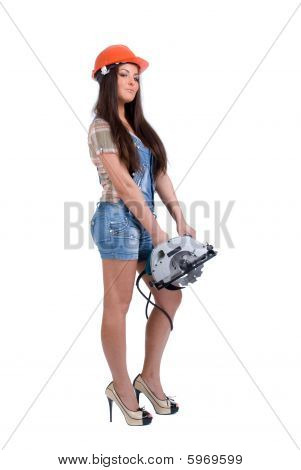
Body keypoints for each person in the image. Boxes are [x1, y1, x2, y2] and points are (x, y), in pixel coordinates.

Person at [88, 44, 196, 426]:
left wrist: (179, 217)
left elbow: (159, 175)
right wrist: (159, 231)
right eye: (124, 74)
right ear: (107, 79)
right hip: (118, 219)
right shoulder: (102, 128)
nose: (133, 82)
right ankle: (121, 386)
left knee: (170, 294)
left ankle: (148, 377)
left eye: (137, 76)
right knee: (118, 307)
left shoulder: (141, 129)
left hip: (146, 219)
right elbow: (126, 186)